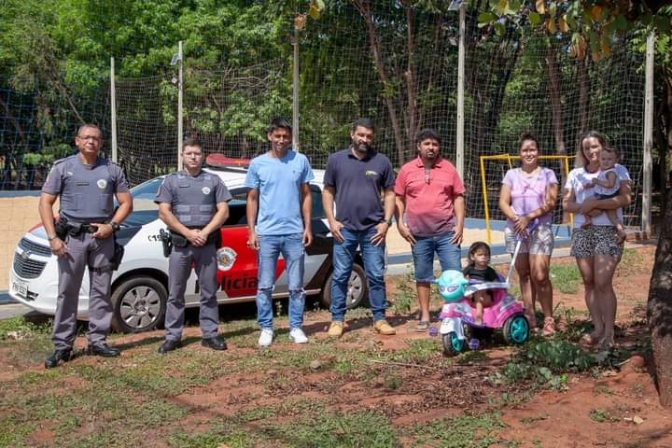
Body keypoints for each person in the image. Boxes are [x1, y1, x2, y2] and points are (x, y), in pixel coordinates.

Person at [39, 124, 133, 368]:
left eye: (96, 138)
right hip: (72, 239)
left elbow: (126, 203)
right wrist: (53, 238)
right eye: (86, 138)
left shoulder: (112, 170)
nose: (91, 141)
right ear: (77, 141)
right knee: (67, 292)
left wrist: (111, 226)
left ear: (101, 143)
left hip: (102, 238)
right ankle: (63, 346)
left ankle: (97, 341)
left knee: (101, 291)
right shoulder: (63, 168)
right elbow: (45, 203)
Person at [154, 137, 231, 353]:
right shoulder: (171, 181)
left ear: (203, 155)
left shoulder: (213, 180)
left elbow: (223, 211)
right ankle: (173, 336)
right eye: (189, 153)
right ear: (182, 156)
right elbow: (163, 212)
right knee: (175, 292)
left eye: (197, 153)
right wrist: (188, 233)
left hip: (206, 243)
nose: (193, 157)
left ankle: (210, 334)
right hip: (181, 244)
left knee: (208, 291)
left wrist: (204, 233)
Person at [323, 118, 396, 337]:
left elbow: (390, 193)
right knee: (341, 274)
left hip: (374, 230)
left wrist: (386, 223)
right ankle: (337, 320)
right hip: (344, 228)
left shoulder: (381, 161)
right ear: (352, 134)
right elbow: (328, 192)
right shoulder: (336, 160)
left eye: (369, 136)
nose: (365, 139)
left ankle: (380, 319)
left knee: (375, 274)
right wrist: (332, 220)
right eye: (361, 135)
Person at [245, 118, 314, 347]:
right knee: (265, 284)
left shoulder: (300, 161)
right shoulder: (258, 164)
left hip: (294, 233)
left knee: (296, 285)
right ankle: (266, 327)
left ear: (290, 138)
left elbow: (306, 195)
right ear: (269, 136)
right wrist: (252, 231)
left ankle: (295, 326)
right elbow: (252, 199)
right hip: (267, 234)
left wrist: (307, 227)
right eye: (278, 136)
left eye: (285, 136)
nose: (281, 140)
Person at [562, 130, 631, 350]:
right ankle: (598, 328)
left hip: (608, 231)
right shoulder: (575, 174)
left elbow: (625, 199)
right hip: (583, 232)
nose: (591, 151)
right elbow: (566, 205)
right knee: (589, 282)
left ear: (603, 146)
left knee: (603, 282)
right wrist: (588, 206)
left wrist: (595, 204)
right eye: (586, 148)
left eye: (594, 146)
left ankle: (609, 333)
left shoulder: (617, 169)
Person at [394, 128, 465, 331]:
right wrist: (400, 223)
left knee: (453, 274)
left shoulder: (449, 169)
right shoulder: (407, 170)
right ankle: (425, 315)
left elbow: (458, 197)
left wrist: (459, 224)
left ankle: (453, 313)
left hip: (447, 234)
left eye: (434, 144)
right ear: (419, 146)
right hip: (418, 235)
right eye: (427, 144)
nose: (431, 147)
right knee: (423, 275)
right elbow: (398, 197)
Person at [498, 132, 558, 336]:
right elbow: (503, 202)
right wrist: (518, 220)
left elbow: (550, 203)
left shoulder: (548, 174)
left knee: (540, 275)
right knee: (524, 274)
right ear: (519, 153)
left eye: (532, 149)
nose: (529, 153)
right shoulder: (511, 175)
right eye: (525, 149)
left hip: (539, 228)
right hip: (516, 229)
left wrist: (529, 218)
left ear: (538, 152)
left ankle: (549, 319)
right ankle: (530, 314)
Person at [582, 146, 627, 241]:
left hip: (604, 196)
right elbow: (598, 183)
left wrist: (597, 182)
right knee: (613, 218)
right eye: (603, 159)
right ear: (599, 160)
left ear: (616, 160)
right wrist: (590, 185)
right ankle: (621, 231)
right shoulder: (604, 171)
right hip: (607, 196)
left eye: (609, 159)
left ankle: (588, 219)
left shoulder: (611, 172)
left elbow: (610, 184)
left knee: (586, 202)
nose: (606, 161)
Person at [462, 242, 498, 325]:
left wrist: (488, 285)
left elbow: (495, 285)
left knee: (478, 292)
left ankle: (479, 316)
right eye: (480, 254)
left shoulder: (490, 271)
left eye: (486, 255)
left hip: (486, 297)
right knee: (459, 291)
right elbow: (460, 277)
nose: (483, 257)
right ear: (472, 256)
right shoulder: (469, 268)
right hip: (471, 295)